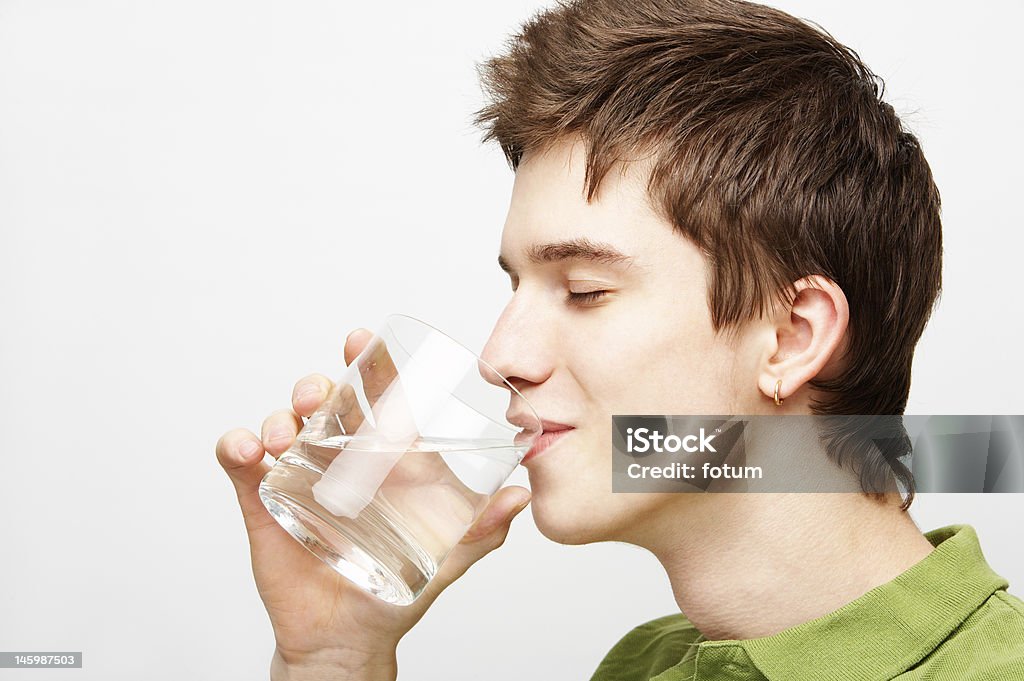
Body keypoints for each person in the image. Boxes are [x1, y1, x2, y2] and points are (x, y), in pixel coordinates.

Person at [215, 0, 1024, 678]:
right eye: (516, 285)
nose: (501, 357)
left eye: (585, 289)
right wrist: (336, 655)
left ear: (790, 336)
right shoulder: (642, 665)